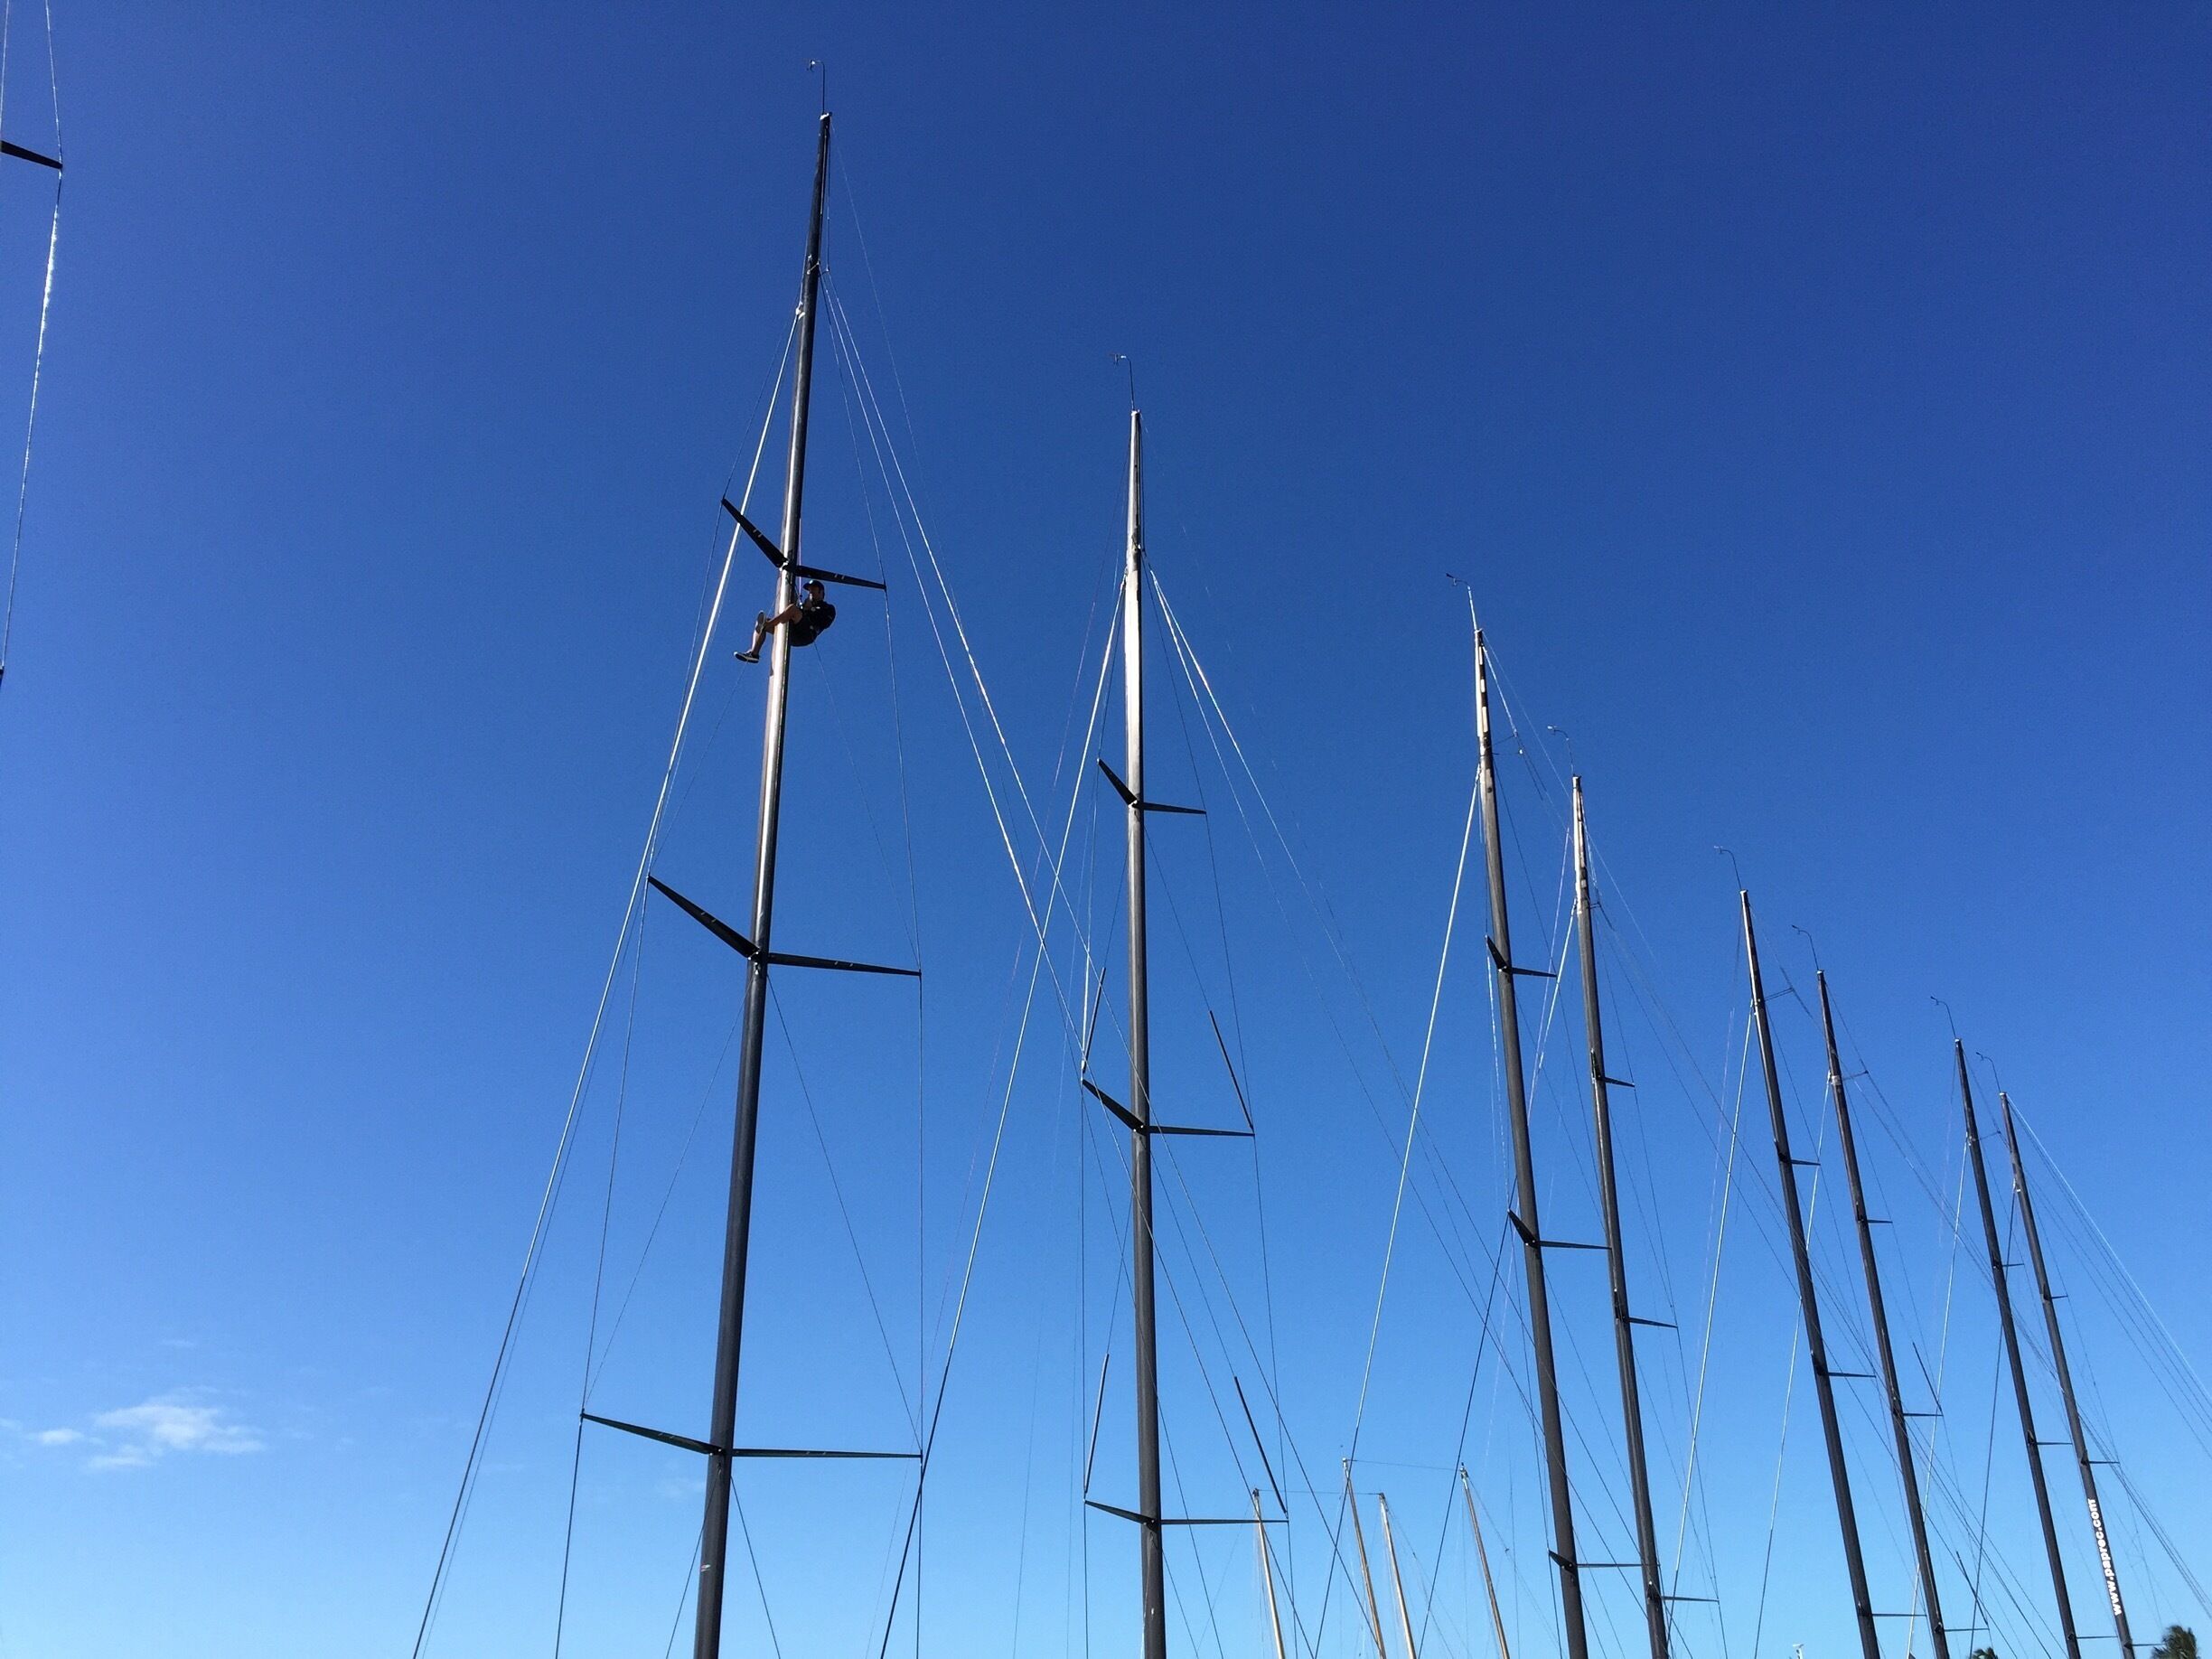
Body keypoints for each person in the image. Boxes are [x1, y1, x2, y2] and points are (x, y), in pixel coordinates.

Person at [736, 578, 836, 662]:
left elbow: (824, 622)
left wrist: (809, 610)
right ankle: (754, 653)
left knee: (792, 609)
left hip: (807, 633)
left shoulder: (828, 608)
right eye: (809, 591)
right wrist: (804, 608)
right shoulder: (804, 606)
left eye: (813, 590)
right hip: (793, 630)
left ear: (821, 592)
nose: (810, 593)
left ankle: (768, 625)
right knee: (762, 620)